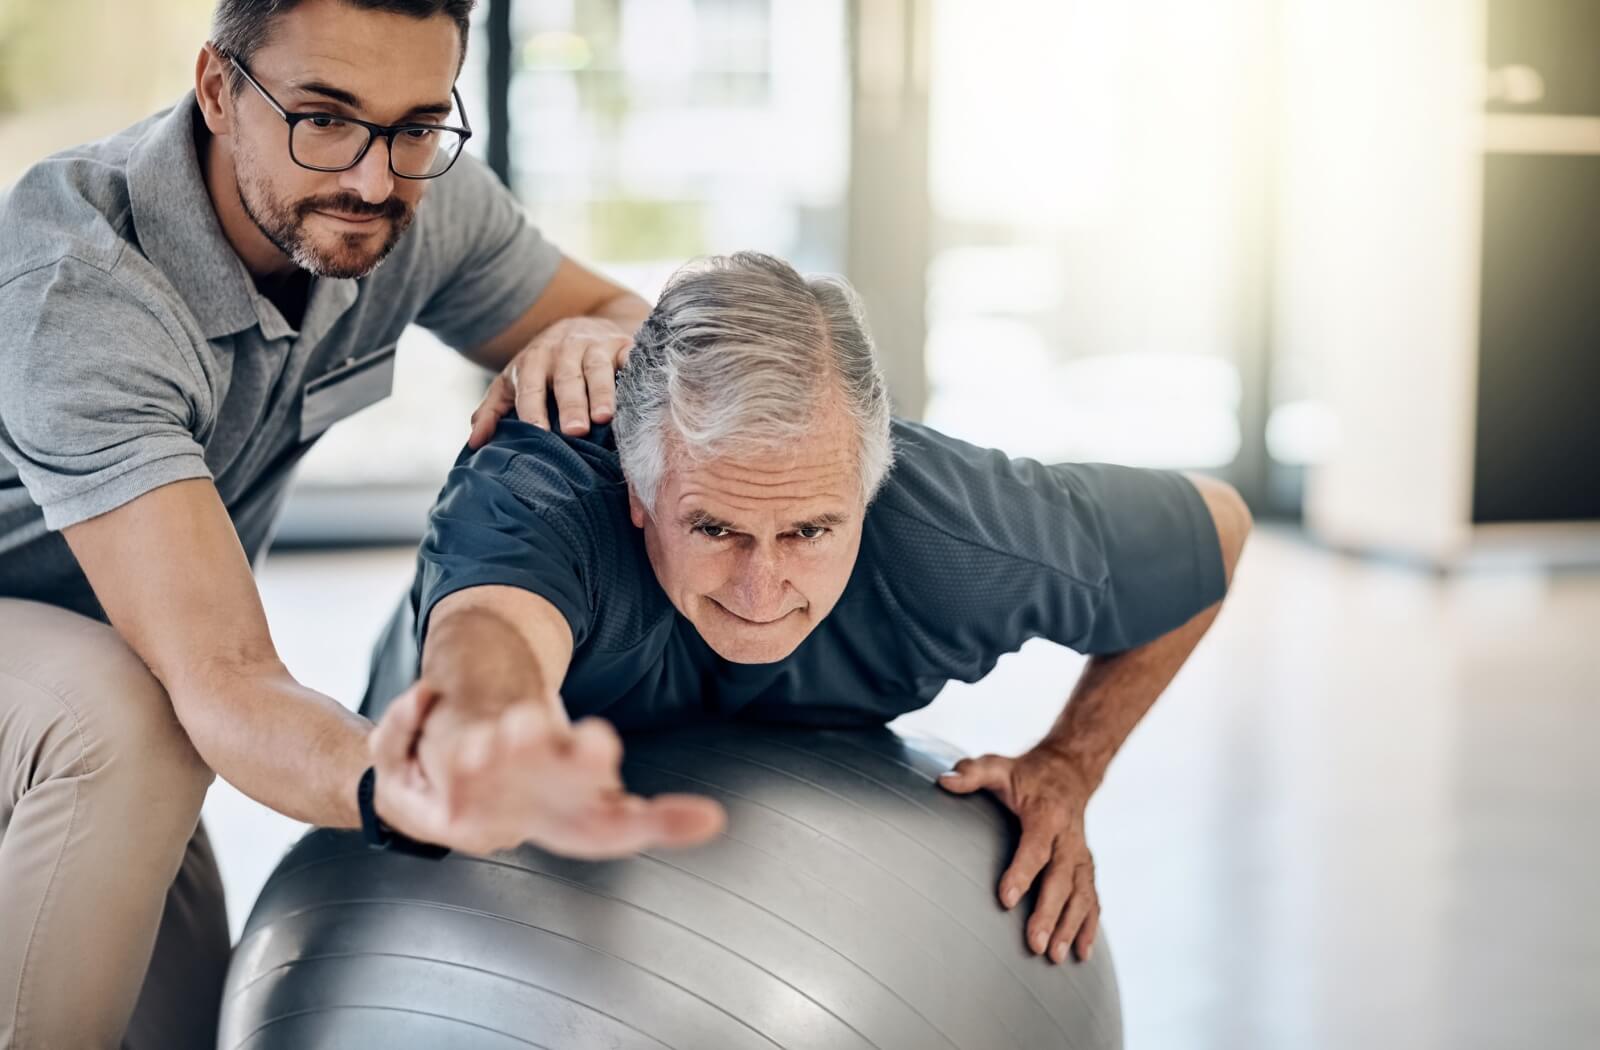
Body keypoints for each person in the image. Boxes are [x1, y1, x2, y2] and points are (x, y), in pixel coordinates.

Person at [0, 1, 645, 1046]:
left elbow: (634, 322)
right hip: (88, 681)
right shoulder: (83, 293)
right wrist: (415, 787)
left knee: (170, 1024)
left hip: (117, 658)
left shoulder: (416, 198)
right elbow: (227, 680)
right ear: (218, 90)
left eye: (416, 126)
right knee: (131, 721)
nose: (372, 180)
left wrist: (580, 336)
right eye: (324, 118)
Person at [364, 251, 1254, 978]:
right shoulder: (541, 487)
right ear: (637, 491)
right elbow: (492, 636)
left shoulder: (956, 532)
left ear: (870, 489)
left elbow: (1216, 528)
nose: (760, 592)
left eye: (809, 530)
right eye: (713, 526)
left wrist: (1070, 764)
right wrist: (492, 727)